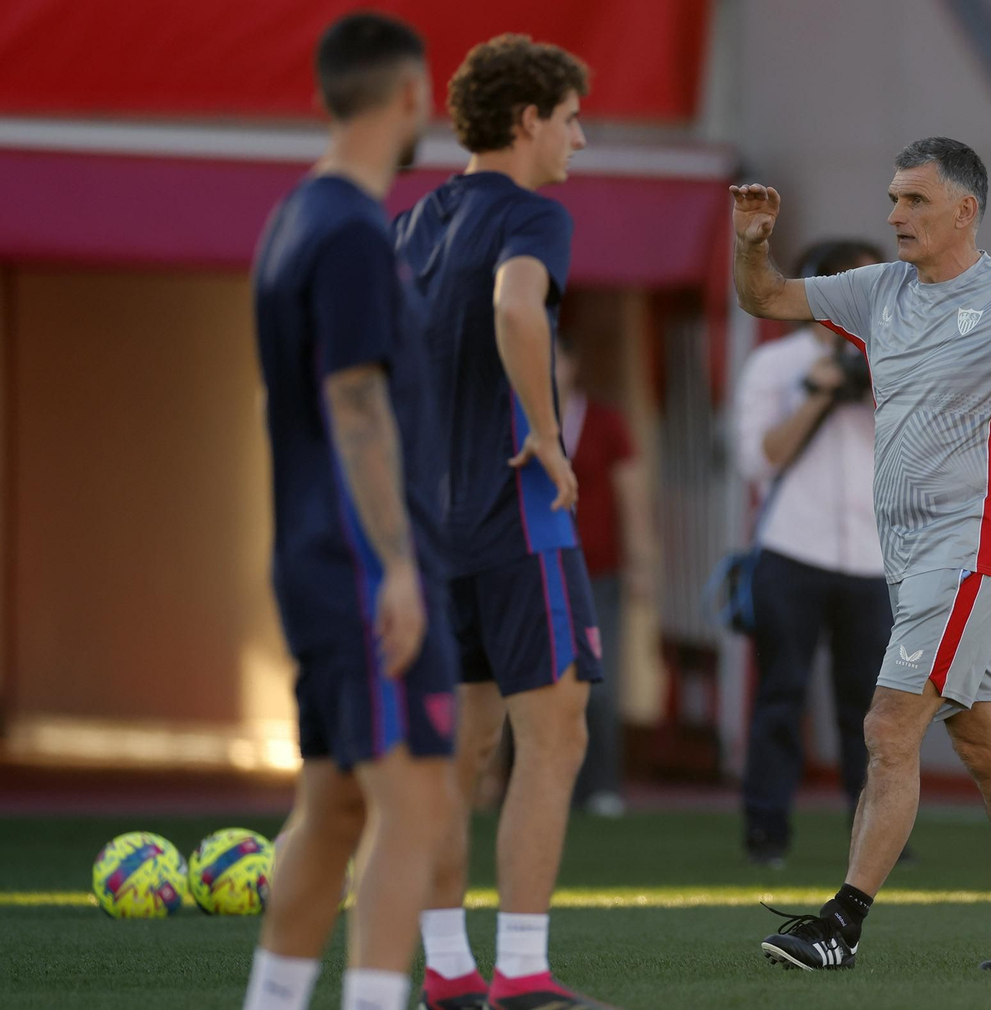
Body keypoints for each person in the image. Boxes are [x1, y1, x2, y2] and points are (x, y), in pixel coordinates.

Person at [730, 137, 991, 973]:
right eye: (893, 198)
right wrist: (750, 244)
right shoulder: (877, 289)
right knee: (987, 749)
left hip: (970, 551)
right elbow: (764, 297)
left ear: (964, 210)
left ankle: (840, 925)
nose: (894, 215)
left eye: (913, 200)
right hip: (911, 561)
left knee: (887, 727)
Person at [244, 13, 456, 1010]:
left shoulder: (293, 218)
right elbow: (354, 398)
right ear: (409, 95)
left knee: (331, 806)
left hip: (315, 555)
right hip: (364, 562)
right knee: (416, 804)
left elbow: (274, 401)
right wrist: (397, 564)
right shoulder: (354, 234)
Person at [392, 35, 609, 1010]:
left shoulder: (408, 226)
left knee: (458, 751)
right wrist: (550, 438)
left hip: (425, 531)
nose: (579, 138)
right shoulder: (534, 215)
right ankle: (520, 974)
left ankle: (446, 969)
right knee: (554, 741)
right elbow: (518, 308)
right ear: (528, 121)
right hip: (518, 522)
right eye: (570, 119)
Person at [734, 239, 893, 867]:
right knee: (782, 692)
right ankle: (766, 828)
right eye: (859, 284)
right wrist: (819, 393)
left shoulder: (896, 361)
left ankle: (878, 835)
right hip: (791, 549)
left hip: (874, 557)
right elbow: (758, 460)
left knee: (874, 707)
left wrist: (870, 383)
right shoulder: (776, 365)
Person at [558, 336, 656, 818]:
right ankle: (543, 784)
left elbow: (631, 494)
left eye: (556, 358)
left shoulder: (603, 421)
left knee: (599, 681)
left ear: (573, 364)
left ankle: (601, 785)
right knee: (539, 680)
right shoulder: (518, 421)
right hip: (536, 570)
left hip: (598, 569)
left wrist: (641, 562)